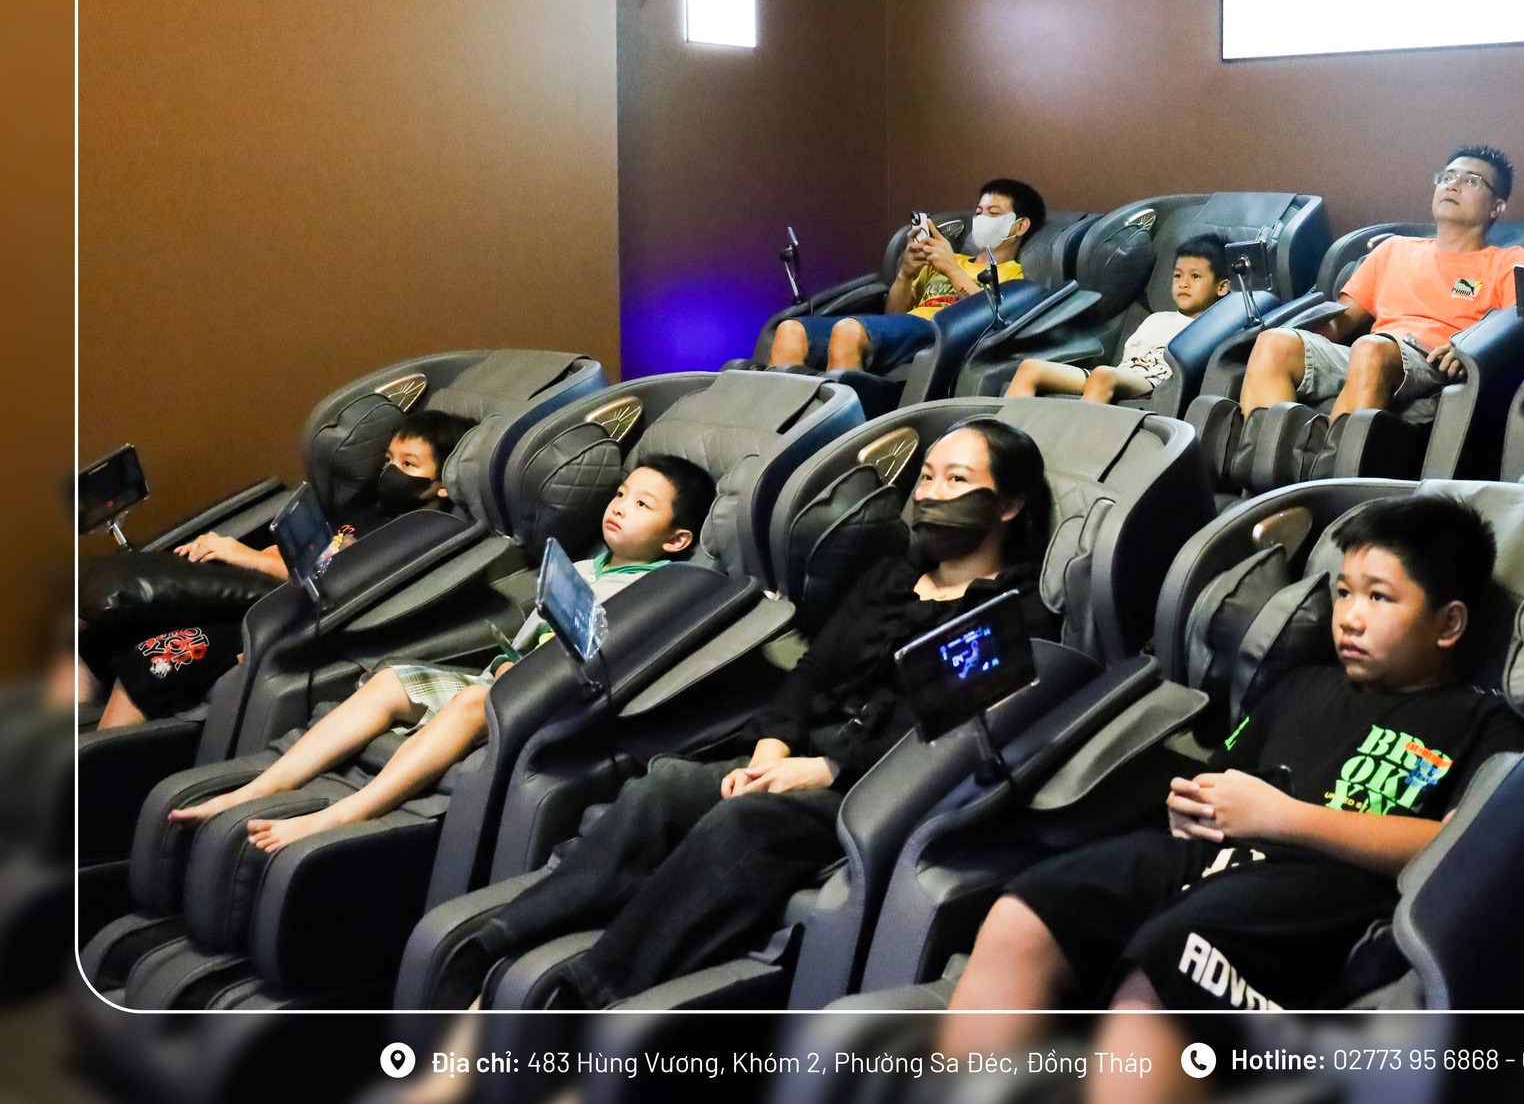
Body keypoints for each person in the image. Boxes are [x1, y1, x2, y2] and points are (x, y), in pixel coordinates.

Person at [461, 418, 1058, 1007]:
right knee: (663, 785)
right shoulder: (891, 575)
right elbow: (814, 672)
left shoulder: (1012, 614)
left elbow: (941, 736)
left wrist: (826, 769)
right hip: (803, 752)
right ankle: (500, 941)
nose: (930, 493)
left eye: (956, 480)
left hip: (876, 786)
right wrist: (773, 745)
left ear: (1006, 505)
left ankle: (587, 994)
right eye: (926, 477)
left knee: (741, 823)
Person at [938, 493, 1524, 1049]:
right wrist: (1191, 806)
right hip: (1208, 862)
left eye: (1379, 598)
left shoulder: (1482, 722)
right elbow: (1224, 781)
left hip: (1327, 891)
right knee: (1031, 906)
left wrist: (1284, 820)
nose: (1349, 617)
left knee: (1174, 957)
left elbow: (1459, 850)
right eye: (1344, 593)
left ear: (1449, 624)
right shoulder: (1299, 684)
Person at [163, 456, 715, 852]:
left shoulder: (661, 588)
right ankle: (263, 786)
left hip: (552, 709)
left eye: (642, 505)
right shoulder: (590, 564)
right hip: (506, 679)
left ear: (675, 540)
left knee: (472, 704)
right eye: (621, 494)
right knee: (388, 682)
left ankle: (341, 814)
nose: (619, 507)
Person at [77, 410, 472, 729]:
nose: (391, 472)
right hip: (256, 595)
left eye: (409, 464)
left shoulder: (414, 534)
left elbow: (329, 580)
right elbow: (300, 553)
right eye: (389, 459)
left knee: (154, 656)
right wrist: (227, 560)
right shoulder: (370, 509)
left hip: (284, 622)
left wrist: (243, 556)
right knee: (95, 635)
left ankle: (88, 780)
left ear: (443, 482)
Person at [1239, 146, 1524, 424]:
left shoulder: (1509, 261)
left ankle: (1333, 476)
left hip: (1436, 362)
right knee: (1275, 342)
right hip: (1370, 355)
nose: (1452, 184)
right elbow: (1340, 322)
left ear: (1496, 207)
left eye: (1471, 181)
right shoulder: (1393, 249)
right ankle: (1261, 472)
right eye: (1447, 177)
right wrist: (1298, 332)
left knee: (1372, 349)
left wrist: (1473, 345)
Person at [768, 179, 1046, 374]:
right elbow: (894, 315)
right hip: (904, 328)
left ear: (1020, 226)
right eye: (979, 212)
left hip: (940, 333)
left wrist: (950, 268)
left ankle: (838, 431)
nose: (981, 218)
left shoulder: (1013, 276)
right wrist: (906, 273)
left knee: (849, 330)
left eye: (993, 213)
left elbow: (991, 318)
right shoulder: (949, 257)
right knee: (791, 330)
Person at [1005, 233, 1233, 404]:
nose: (1183, 283)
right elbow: (1127, 359)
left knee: (1104, 374)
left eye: (1195, 276)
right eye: (1177, 275)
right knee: (1030, 367)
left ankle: (1073, 443)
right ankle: (1000, 443)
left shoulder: (1212, 329)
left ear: (1222, 287)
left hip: (1153, 385)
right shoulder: (1157, 319)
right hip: (1120, 375)